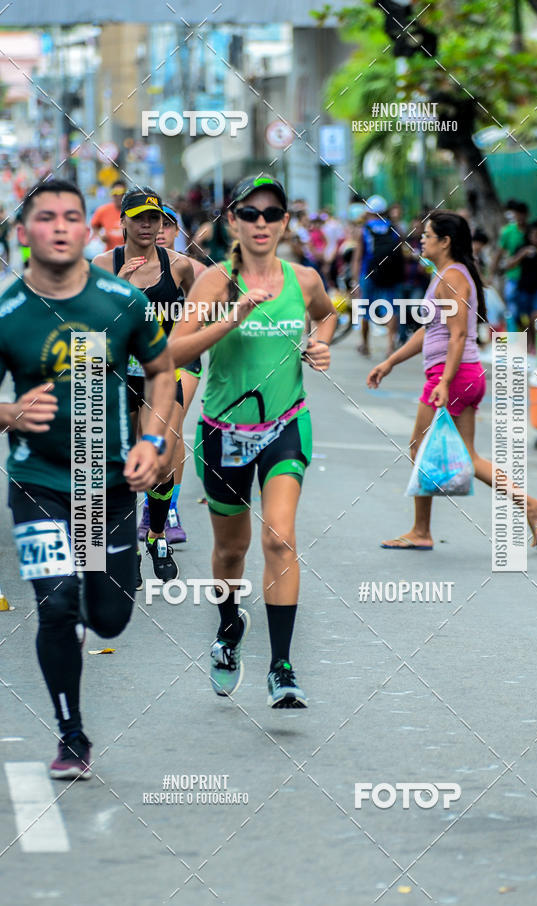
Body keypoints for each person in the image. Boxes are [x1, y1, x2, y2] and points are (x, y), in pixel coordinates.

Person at [0, 179, 175, 779]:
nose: (58, 226)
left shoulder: (120, 301)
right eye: (45, 216)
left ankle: (94, 601)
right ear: (24, 232)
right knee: (55, 605)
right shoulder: (9, 312)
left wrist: (152, 441)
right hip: (38, 482)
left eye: (70, 216)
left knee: (107, 617)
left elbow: (161, 371)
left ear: (86, 229)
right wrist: (8, 412)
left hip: (106, 487)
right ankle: (71, 733)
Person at [169, 174, 336, 708]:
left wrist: (320, 344)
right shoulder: (215, 282)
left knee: (279, 539)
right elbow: (174, 352)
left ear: (285, 222)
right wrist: (232, 317)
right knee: (231, 548)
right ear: (233, 222)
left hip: (285, 424)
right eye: (249, 213)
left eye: (271, 214)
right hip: (223, 431)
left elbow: (326, 315)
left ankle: (282, 667)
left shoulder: (303, 279)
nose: (260, 223)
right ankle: (227, 629)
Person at [367, 210, 537, 552]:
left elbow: (458, 335)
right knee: (466, 456)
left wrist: (444, 381)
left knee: (419, 447)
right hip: (463, 374)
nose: (421, 240)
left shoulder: (452, 277)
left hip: (452, 375)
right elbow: (429, 331)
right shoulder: (447, 275)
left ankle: (421, 531)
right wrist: (390, 361)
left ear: (445, 241)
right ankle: (532, 505)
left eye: (427, 235)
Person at [93, 188, 195, 583]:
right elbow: (90, 328)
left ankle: (155, 535)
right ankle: (128, 549)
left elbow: (202, 307)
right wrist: (117, 288)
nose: (147, 225)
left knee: (162, 461)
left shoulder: (180, 266)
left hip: (162, 376)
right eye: (138, 218)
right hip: (118, 375)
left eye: (154, 218)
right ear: (122, 222)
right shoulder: (104, 264)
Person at [157, 202, 206, 543]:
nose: (159, 230)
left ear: (177, 231)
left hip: (182, 358)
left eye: (167, 224)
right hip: (138, 362)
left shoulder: (194, 269)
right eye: (153, 222)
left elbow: (215, 312)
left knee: (171, 428)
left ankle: (167, 509)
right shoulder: (122, 267)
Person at [352, 194, 406, 356]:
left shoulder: (364, 230)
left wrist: (355, 281)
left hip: (368, 273)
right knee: (391, 309)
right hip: (390, 274)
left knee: (365, 309)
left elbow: (358, 257)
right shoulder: (394, 228)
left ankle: (365, 344)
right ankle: (390, 346)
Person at [504, 221, 537, 351]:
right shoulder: (522, 247)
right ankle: (528, 342)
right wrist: (522, 254)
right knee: (524, 317)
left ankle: (536, 345)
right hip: (524, 287)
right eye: (533, 235)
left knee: (536, 315)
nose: (535, 238)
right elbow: (509, 265)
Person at [491, 201, 529, 330]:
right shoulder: (508, 231)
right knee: (512, 308)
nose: (519, 217)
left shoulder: (531, 230)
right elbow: (499, 253)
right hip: (513, 275)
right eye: (517, 214)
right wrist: (491, 274)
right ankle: (513, 337)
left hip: (529, 278)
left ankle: (526, 337)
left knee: (525, 310)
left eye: (522, 214)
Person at [89, 180, 126, 251]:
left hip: (129, 254)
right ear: (111, 194)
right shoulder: (103, 210)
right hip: (110, 253)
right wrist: (100, 236)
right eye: (115, 193)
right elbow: (94, 226)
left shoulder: (132, 211)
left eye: (122, 194)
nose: (119, 196)